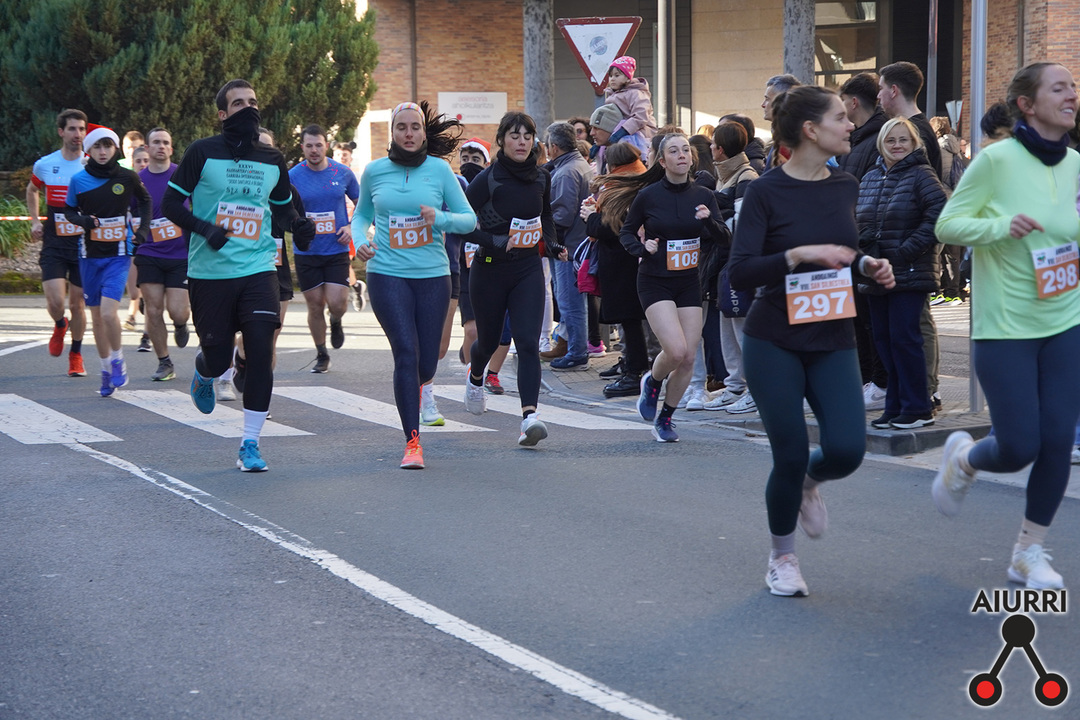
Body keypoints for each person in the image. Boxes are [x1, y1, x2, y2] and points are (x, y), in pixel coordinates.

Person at [728, 86, 894, 597]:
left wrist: (867, 265)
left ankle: (807, 484)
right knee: (791, 452)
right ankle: (782, 558)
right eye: (840, 118)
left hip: (833, 334)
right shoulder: (765, 191)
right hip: (774, 337)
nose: (851, 125)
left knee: (846, 450)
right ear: (810, 130)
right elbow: (740, 271)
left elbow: (844, 251)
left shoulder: (845, 185)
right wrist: (798, 255)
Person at [933, 62, 1080, 591]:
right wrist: (1001, 226)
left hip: (1065, 320)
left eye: (1073, 87)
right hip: (1006, 326)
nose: (1072, 95)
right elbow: (947, 224)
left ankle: (1027, 551)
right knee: (1019, 446)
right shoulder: (996, 161)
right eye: (1059, 88)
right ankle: (965, 459)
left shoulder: (1075, 164)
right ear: (1027, 104)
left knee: (1057, 441)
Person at [163, 78, 316, 472]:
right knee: (217, 359)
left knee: (261, 351)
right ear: (222, 114)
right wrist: (205, 229)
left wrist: (298, 225)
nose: (249, 109)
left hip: (259, 269)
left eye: (253, 102)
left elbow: (282, 209)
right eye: (238, 103)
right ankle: (204, 371)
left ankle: (250, 443)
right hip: (209, 272)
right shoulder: (202, 152)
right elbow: (170, 204)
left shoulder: (272, 158)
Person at [352, 100, 476, 469]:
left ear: (423, 133)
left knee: (426, 363)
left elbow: (468, 220)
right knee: (405, 353)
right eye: (401, 127)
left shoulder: (439, 171)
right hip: (386, 273)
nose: (408, 134)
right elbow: (361, 215)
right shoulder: (374, 171)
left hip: (433, 276)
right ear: (392, 133)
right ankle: (412, 442)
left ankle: (418, 388)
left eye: (415, 127)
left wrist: (441, 218)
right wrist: (359, 240)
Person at [461, 113, 566, 446]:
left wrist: (553, 244)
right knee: (488, 342)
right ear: (502, 140)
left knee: (527, 342)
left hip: (527, 269)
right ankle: (476, 375)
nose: (522, 142)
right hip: (489, 270)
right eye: (514, 135)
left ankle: (529, 418)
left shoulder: (541, 177)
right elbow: (462, 224)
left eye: (527, 136)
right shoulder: (487, 179)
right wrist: (495, 241)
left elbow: (545, 215)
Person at [617, 132, 727, 442]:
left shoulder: (704, 196)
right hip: (654, 281)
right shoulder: (648, 196)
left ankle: (665, 418)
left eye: (685, 150)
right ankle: (653, 381)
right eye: (674, 151)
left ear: (692, 158)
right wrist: (643, 248)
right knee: (676, 351)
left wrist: (709, 222)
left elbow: (724, 238)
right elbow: (626, 233)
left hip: (688, 281)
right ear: (663, 161)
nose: (681, 155)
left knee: (689, 357)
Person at [855, 117, 947, 429]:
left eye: (903, 139)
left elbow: (939, 217)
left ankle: (918, 407)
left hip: (909, 272)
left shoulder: (922, 174)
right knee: (884, 341)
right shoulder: (870, 177)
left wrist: (906, 250)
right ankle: (895, 406)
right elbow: (859, 219)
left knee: (905, 340)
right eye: (891, 140)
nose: (897, 145)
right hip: (875, 272)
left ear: (914, 143)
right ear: (881, 143)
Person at [64, 125, 152, 397]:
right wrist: (84, 221)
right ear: (88, 150)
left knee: (107, 312)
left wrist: (142, 231)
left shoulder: (127, 177)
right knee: (96, 318)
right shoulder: (79, 180)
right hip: (89, 256)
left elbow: (145, 201)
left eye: (107, 146)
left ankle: (117, 360)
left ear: (115, 149)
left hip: (118, 254)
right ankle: (105, 369)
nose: (102, 152)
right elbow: (68, 211)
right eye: (97, 147)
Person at [289, 124, 361, 373]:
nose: (314, 150)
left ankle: (336, 319)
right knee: (315, 304)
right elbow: (282, 208)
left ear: (326, 146)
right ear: (302, 148)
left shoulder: (342, 172)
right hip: (306, 251)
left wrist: (351, 226)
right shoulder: (293, 176)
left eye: (318, 145)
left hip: (336, 249)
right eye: (309, 146)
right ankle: (321, 354)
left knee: (337, 302)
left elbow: (362, 204)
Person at [581, 141, 649, 398]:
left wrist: (591, 216)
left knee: (630, 320)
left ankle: (635, 371)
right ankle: (632, 365)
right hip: (627, 262)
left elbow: (612, 227)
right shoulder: (637, 183)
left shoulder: (625, 188)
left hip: (624, 263)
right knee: (630, 321)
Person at [28, 108, 89, 377]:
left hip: (83, 245)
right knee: (55, 301)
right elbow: (32, 190)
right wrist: (34, 221)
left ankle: (76, 354)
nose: (78, 134)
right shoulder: (45, 164)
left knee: (78, 305)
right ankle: (60, 323)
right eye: (73, 129)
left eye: (82, 129)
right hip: (54, 242)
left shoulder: (91, 164)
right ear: (61, 132)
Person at [702, 121, 758, 412]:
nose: (710, 147)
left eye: (713, 143)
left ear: (721, 149)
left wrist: (714, 212)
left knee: (742, 329)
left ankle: (754, 389)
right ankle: (735, 386)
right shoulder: (724, 176)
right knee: (727, 327)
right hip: (722, 264)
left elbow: (742, 224)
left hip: (737, 264)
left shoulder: (746, 176)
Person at [132, 127, 192, 382]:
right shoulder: (137, 180)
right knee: (154, 309)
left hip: (180, 254)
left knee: (178, 310)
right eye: (156, 142)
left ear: (171, 148)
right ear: (147, 148)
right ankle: (164, 362)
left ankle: (180, 324)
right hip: (149, 252)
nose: (161, 146)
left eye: (166, 142)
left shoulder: (183, 175)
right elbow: (129, 213)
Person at [547, 121, 596, 371]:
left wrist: (546, 233)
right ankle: (575, 349)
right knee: (572, 302)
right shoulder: (579, 165)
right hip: (577, 244)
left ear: (554, 147)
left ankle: (577, 353)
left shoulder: (567, 172)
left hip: (568, 247)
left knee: (569, 303)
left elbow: (563, 215)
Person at [876, 61, 943, 178]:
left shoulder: (916, 132)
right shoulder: (918, 128)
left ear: (893, 90)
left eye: (881, 88)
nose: (878, 95)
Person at [603, 56, 657, 155]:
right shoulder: (610, 96)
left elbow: (641, 116)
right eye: (610, 76)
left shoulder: (636, 93)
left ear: (628, 78)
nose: (612, 79)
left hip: (640, 134)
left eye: (617, 75)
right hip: (618, 134)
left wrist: (623, 130)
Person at [761, 74, 801, 168]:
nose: (763, 105)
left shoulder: (790, 143)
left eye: (767, 99)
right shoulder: (783, 138)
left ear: (781, 101)